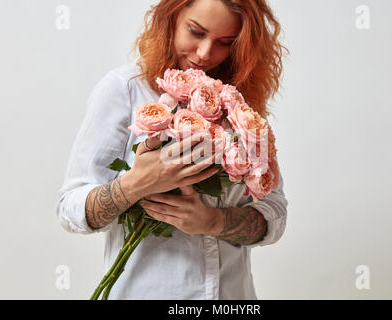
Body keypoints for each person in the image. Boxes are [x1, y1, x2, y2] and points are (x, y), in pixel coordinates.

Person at [56, 0, 289, 300]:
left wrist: (213, 222)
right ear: (170, 17)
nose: (205, 53)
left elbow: (274, 213)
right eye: (196, 31)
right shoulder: (124, 90)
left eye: (225, 42)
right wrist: (135, 184)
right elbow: (69, 208)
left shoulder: (242, 109)